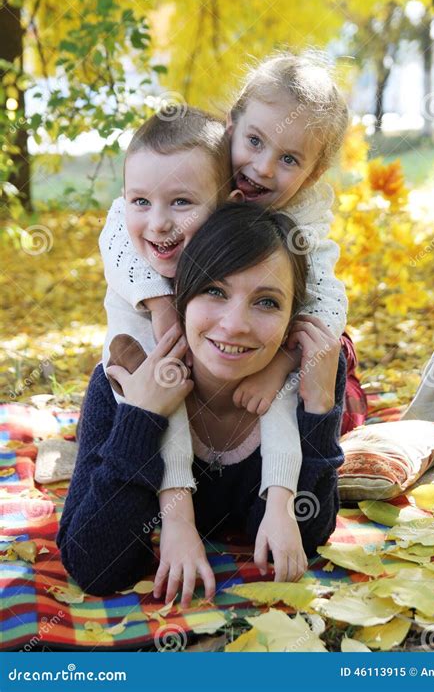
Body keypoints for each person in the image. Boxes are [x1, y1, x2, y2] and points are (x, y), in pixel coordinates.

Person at [57, 203, 346, 608]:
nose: (234, 324)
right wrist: (139, 419)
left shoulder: (308, 381)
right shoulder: (123, 381)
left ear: (291, 317)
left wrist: (318, 409)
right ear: (180, 296)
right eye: (214, 290)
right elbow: (97, 566)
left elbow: (308, 536)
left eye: (266, 302)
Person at [99, 48, 352, 510]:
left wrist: (278, 370)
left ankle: (288, 485)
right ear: (232, 125)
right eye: (254, 142)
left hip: (265, 347)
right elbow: (119, 230)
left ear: (313, 173)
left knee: (333, 361)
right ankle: (154, 474)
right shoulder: (196, 175)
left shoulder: (303, 223)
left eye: (290, 159)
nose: (263, 167)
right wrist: (159, 304)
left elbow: (326, 303)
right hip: (182, 332)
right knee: (144, 371)